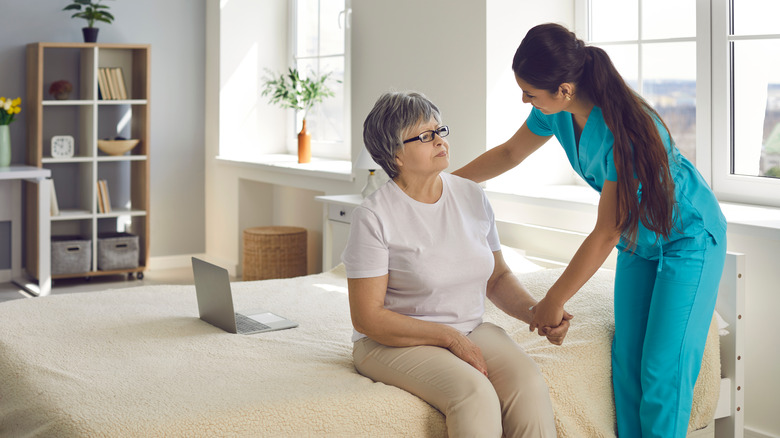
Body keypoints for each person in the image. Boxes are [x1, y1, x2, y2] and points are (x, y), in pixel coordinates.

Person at [453, 23, 727, 438]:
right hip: (640, 242)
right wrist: (444, 187)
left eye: (530, 92)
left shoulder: (629, 129)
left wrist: (554, 299)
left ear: (564, 89)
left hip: (688, 239)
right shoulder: (556, 113)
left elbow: (604, 232)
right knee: (628, 364)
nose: (524, 99)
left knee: (661, 370)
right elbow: (510, 152)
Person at [343, 91, 566, 438]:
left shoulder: (472, 195)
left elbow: (497, 278)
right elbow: (367, 318)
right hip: (389, 342)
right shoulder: (374, 216)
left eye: (439, 130)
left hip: (469, 329)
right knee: (475, 395)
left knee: (528, 383)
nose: (440, 141)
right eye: (425, 136)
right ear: (395, 155)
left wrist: (535, 312)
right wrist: (447, 336)